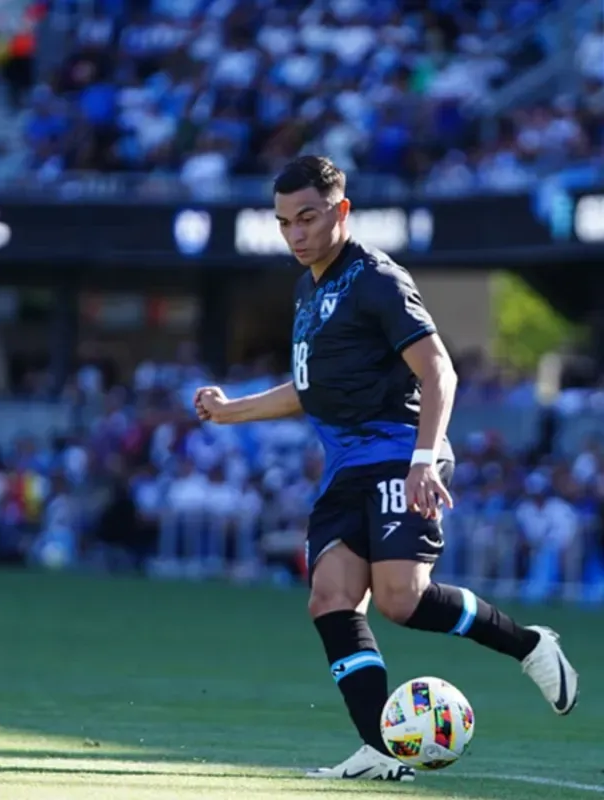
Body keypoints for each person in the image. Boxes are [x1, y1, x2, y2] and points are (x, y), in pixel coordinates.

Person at [193, 156, 579, 782]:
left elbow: (439, 371)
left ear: (341, 212)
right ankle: (380, 746)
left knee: (401, 601)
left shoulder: (376, 278)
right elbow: (310, 386)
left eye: (308, 219)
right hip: (345, 468)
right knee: (330, 599)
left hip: (401, 454)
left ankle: (530, 644)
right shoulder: (309, 290)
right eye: (285, 223)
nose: (296, 235)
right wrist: (231, 411)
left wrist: (425, 459)